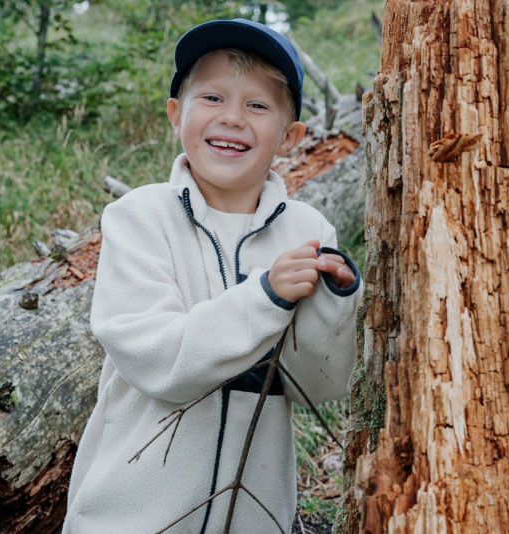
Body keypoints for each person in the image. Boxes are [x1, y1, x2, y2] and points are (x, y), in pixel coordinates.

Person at [61, 18, 362, 534]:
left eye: (258, 105)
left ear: (291, 137)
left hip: (255, 518)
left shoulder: (307, 229)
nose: (233, 118)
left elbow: (324, 381)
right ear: (177, 115)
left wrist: (336, 300)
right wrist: (265, 297)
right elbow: (158, 360)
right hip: (129, 517)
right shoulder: (140, 218)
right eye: (213, 98)